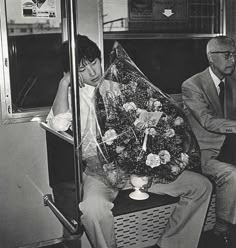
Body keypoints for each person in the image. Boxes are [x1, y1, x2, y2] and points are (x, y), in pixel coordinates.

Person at [47, 34, 212, 248]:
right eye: (81, 69)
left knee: (200, 186)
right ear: (70, 72)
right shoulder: (72, 97)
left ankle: (173, 243)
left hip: (138, 167)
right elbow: (58, 125)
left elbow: (144, 121)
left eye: (94, 63)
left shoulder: (116, 88)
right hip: (101, 171)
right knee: (92, 209)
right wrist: (64, 83)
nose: (92, 72)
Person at [182, 35, 236, 248]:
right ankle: (221, 229)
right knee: (231, 174)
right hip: (204, 151)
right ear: (211, 58)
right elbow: (208, 121)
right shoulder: (193, 85)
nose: (232, 60)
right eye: (227, 55)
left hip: (230, 146)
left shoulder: (232, 82)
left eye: (234, 54)